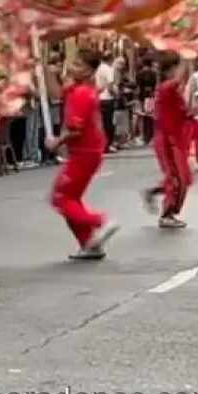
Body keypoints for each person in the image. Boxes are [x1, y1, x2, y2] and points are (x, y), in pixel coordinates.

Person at [46, 50, 119, 259]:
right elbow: (56, 94)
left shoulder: (82, 94)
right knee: (71, 200)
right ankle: (88, 244)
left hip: (85, 152)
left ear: (89, 70)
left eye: (78, 64)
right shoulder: (77, 89)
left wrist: (56, 142)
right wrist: (46, 71)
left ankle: (101, 221)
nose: (72, 67)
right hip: (85, 151)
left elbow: (75, 129)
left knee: (60, 198)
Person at [141, 53, 192, 228]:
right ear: (171, 69)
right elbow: (180, 78)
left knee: (185, 178)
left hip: (176, 138)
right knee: (176, 178)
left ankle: (154, 193)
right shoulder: (166, 88)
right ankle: (167, 214)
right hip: (167, 140)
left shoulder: (173, 92)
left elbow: (183, 113)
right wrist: (188, 54)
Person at [94, 52, 117, 152]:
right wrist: (114, 94)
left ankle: (101, 144)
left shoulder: (98, 69)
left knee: (101, 123)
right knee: (108, 122)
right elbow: (110, 84)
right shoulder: (108, 69)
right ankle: (108, 144)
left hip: (98, 97)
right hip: (107, 98)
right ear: (111, 59)